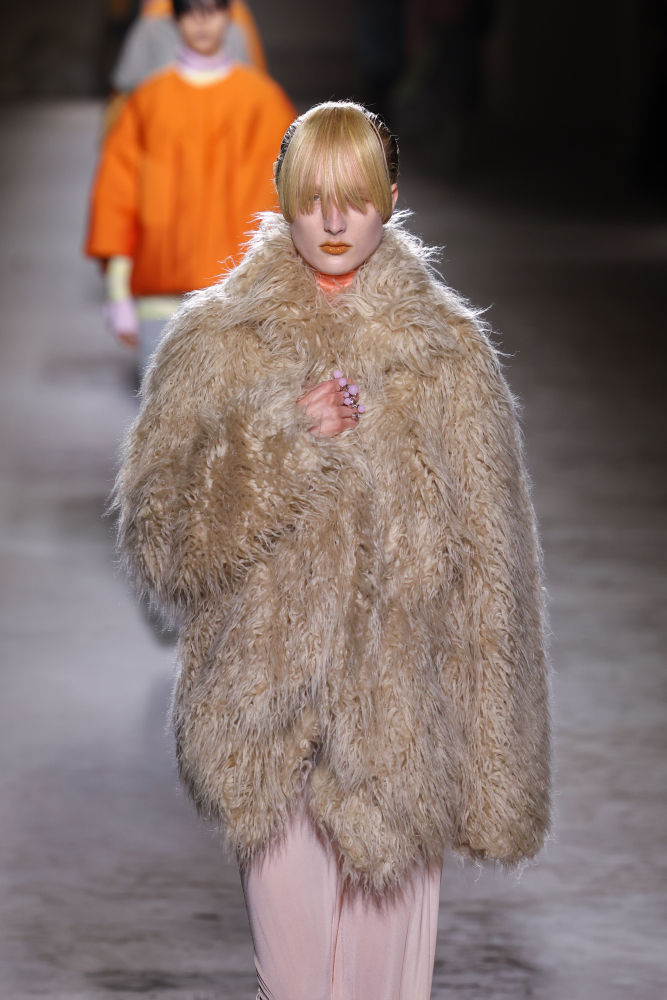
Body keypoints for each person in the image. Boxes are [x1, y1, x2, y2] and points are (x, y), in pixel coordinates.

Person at [113, 101, 551, 999]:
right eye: (314, 198)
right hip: (267, 729)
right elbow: (159, 539)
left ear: (391, 198)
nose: (336, 221)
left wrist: (496, 771)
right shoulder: (214, 343)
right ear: (284, 199)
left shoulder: (449, 357)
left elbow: (493, 579)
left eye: (355, 197)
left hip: (404, 737)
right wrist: (278, 441)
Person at [84, 0, 294, 375]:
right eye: (190, 11)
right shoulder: (146, 104)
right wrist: (117, 295)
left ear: (230, 16)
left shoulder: (264, 103)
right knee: (163, 421)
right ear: (175, 19)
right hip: (159, 297)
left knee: (234, 420)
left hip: (240, 303)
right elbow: (118, 200)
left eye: (211, 10)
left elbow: (289, 205)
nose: (201, 21)